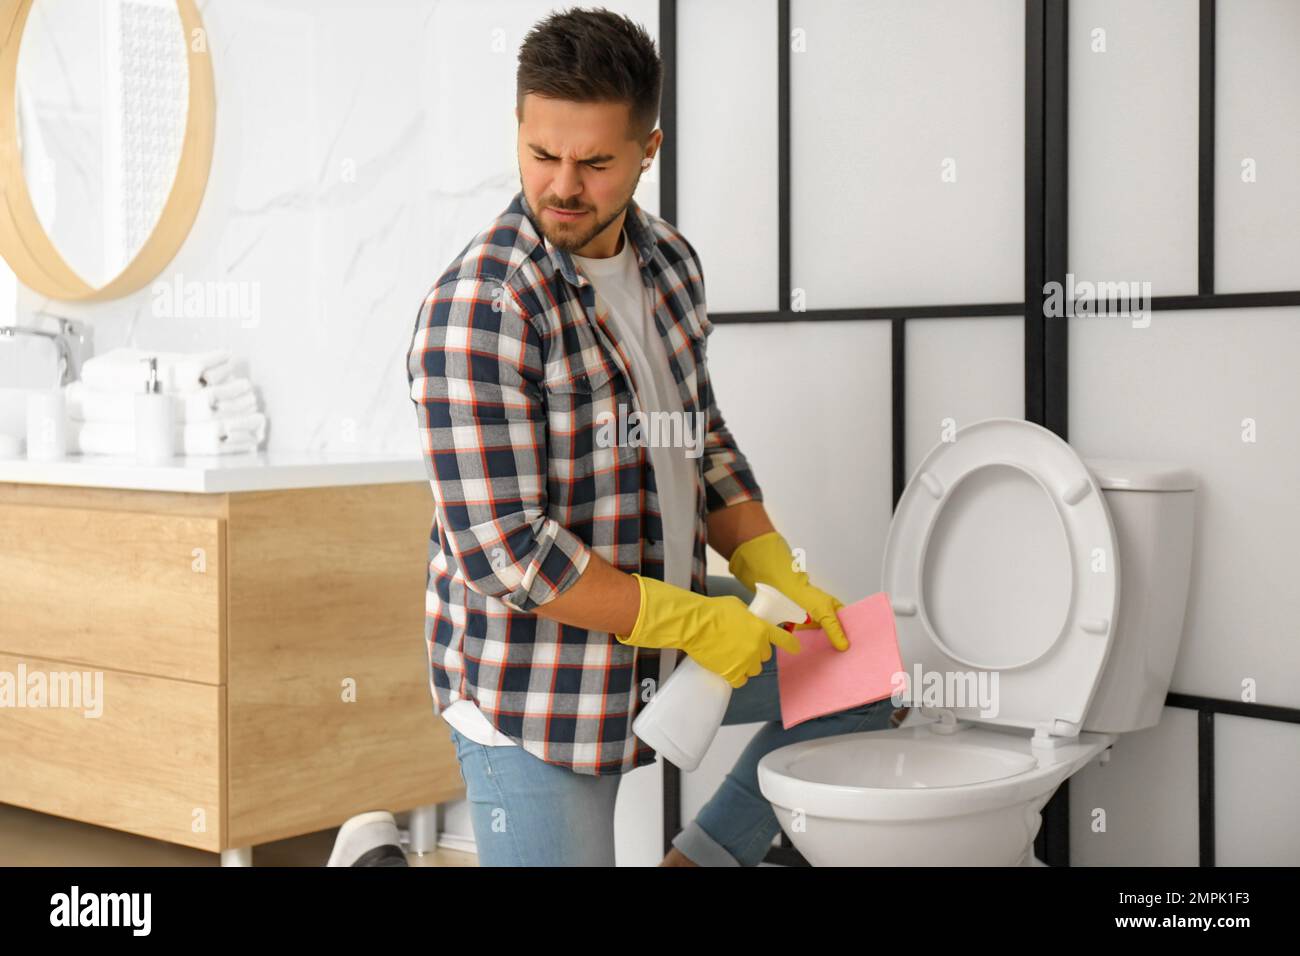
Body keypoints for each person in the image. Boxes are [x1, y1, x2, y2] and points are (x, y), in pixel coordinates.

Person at [394, 6, 907, 868]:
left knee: (864, 678)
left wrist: (768, 562)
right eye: (541, 154)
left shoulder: (669, 262)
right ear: (518, 129)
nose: (563, 185)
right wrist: (696, 624)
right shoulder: (481, 313)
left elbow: (699, 439)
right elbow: (509, 555)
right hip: (533, 684)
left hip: (664, 632)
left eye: (594, 162)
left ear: (648, 149)